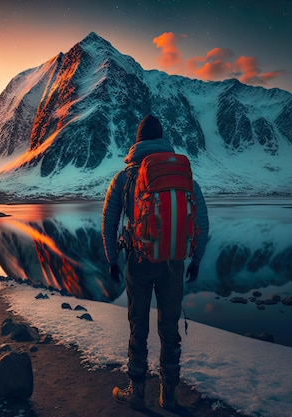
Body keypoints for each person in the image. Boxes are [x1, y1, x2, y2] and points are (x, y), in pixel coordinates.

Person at [101, 114, 209, 411]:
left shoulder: (124, 178)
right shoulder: (182, 177)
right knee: (169, 327)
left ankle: (136, 392)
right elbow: (201, 221)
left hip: (138, 259)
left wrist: (112, 258)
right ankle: (168, 395)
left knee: (139, 327)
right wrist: (195, 259)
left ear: (137, 141)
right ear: (163, 140)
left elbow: (109, 220)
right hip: (174, 261)